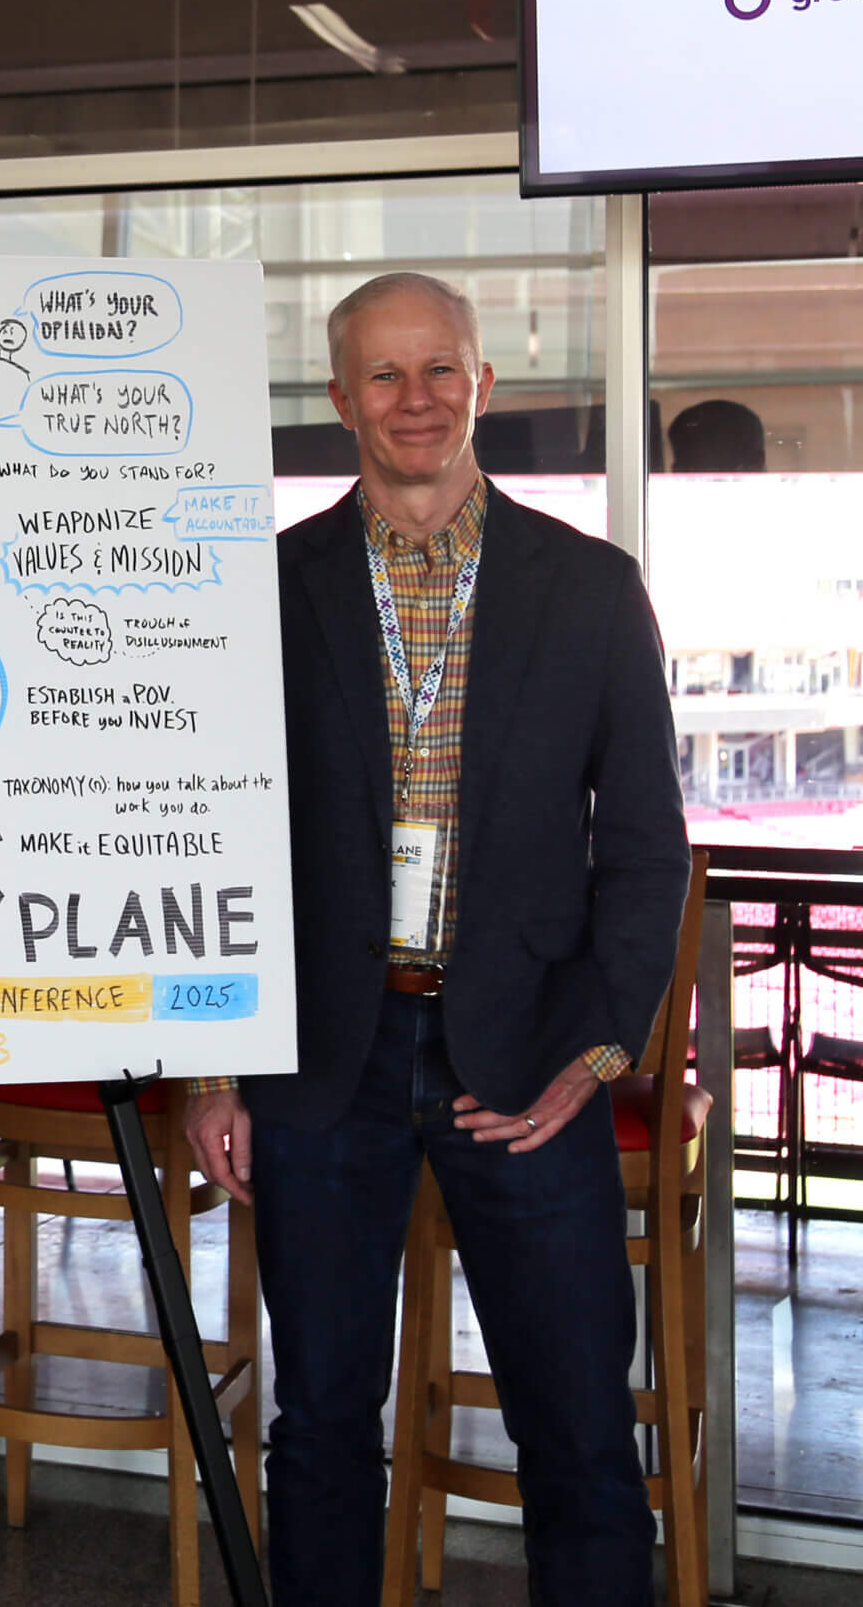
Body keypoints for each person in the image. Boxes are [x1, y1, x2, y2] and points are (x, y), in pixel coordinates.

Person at [185, 271, 688, 1605]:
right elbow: (205, 826)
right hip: (318, 1058)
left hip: (521, 1057)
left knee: (579, 1428)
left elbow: (646, 845)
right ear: (340, 399)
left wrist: (598, 1046)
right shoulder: (261, 589)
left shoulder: (588, 589)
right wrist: (214, 1064)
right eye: (386, 377)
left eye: (441, 370)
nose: (417, 401)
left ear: (484, 383)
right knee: (323, 1430)